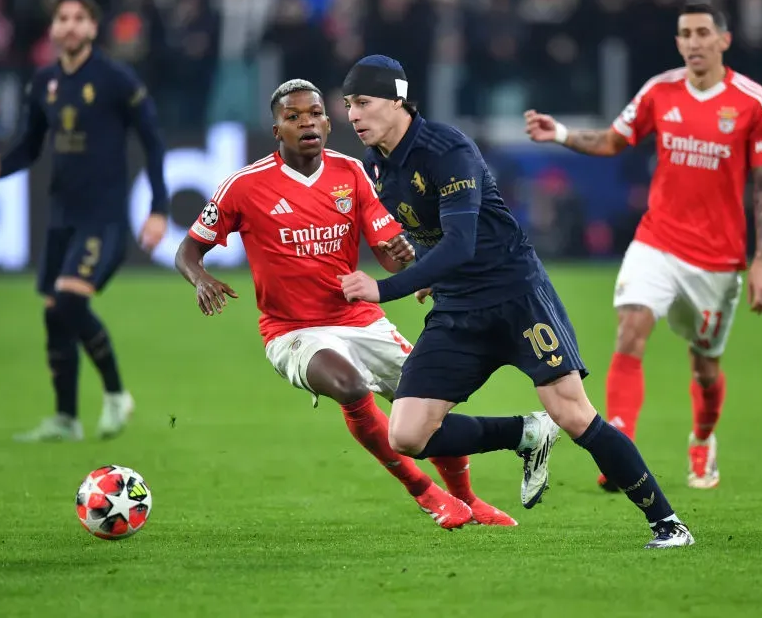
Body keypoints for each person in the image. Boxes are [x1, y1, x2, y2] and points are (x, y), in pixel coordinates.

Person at [338, 55, 694, 549]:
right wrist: (423, 264)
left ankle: (668, 523)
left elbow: (461, 242)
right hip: (458, 310)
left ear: (397, 100)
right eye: (349, 104)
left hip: (515, 297)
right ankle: (526, 433)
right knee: (408, 434)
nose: (352, 114)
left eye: (363, 102)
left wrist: (385, 287)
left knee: (574, 414)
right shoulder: (378, 164)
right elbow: (436, 233)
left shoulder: (447, 149)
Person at [174, 79, 518, 529]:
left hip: (360, 319)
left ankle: (468, 499)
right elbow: (187, 250)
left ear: (328, 122)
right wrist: (200, 279)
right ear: (276, 130)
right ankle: (425, 492)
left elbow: (388, 249)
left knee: (428, 406)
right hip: (292, 331)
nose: (306, 123)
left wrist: (410, 265)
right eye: (293, 117)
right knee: (349, 385)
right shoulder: (244, 186)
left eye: (314, 113)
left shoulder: (351, 173)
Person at [524, 3, 762, 491]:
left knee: (705, 369)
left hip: (718, 259)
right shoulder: (659, 91)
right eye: (685, 33)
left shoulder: (753, 102)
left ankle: (703, 438)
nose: (694, 42)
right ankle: (619, 449)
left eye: (704, 32)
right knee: (631, 326)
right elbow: (612, 141)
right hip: (658, 240)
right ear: (678, 41)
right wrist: (557, 133)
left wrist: (761, 263)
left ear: (724, 40)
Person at [0, 0, 169, 442]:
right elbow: (30, 144)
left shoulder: (116, 79)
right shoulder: (44, 80)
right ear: (53, 29)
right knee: (53, 313)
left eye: (77, 17)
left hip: (102, 219)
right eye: (61, 17)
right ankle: (65, 418)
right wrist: (0, 166)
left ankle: (116, 395)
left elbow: (153, 139)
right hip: (61, 215)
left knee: (69, 301)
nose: (68, 25)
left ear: (92, 28)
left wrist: (159, 208)